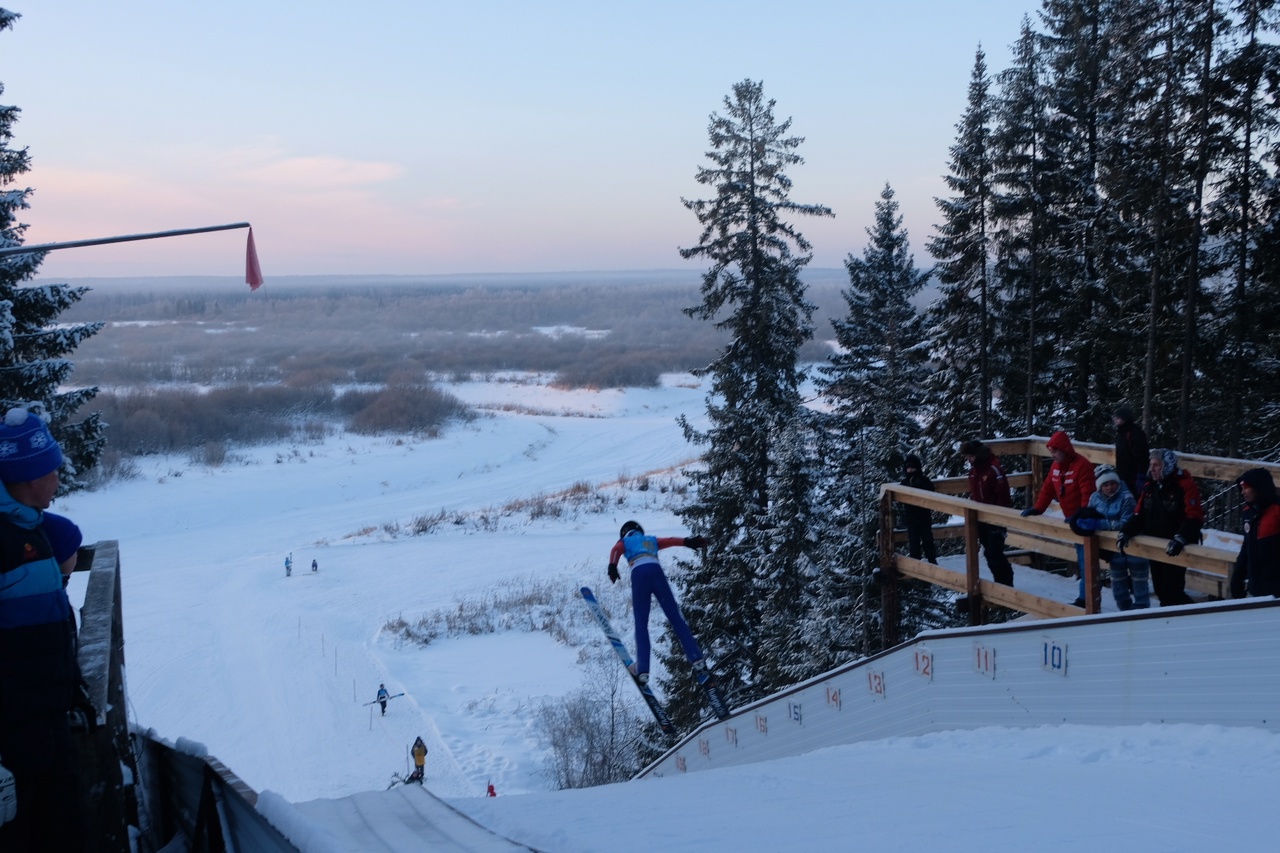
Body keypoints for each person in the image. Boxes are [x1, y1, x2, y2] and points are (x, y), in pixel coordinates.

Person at [0, 407, 86, 851]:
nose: (59, 478)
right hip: (12, 735)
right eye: (53, 471)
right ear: (30, 477)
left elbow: (48, 619)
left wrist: (73, 690)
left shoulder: (31, 527)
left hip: (46, 719)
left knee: (61, 829)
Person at [607, 520, 709, 684]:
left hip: (639, 574)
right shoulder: (651, 539)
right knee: (675, 617)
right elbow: (669, 540)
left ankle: (643, 669)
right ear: (639, 530)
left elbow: (616, 550)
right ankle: (696, 658)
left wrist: (612, 566)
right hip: (656, 572)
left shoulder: (625, 541)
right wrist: (687, 541)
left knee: (641, 623)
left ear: (624, 533)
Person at [1120, 449, 1203, 607]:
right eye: (1151, 465)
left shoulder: (1185, 485)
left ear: (1167, 466)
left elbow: (1194, 516)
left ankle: (1195, 617)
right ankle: (1171, 623)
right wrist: (1126, 532)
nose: (1152, 468)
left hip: (1176, 547)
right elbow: (1139, 514)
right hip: (1155, 545)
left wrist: (1181, 537)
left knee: (1172, 591)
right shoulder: (1149, 487)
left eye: (1157, 465)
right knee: (1161, 590)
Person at [1071, 465, 1148, 610]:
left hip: (1133, 546)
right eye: (1106, 484)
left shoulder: (1126, 497)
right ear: (1100, 487)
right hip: (1113, 550)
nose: (1110, 487)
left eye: (1113, 483)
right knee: (1119, 590)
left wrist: (1100, 524)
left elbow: (1127, 523)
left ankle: (1142, 615)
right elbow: (1089, 515)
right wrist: (1082, 521)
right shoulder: (1095, 498)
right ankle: (1125, 615)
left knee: (1140, 587)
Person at [960, 440, 1015, 586]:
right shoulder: (973, 473)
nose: (968, 459)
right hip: (980, 518)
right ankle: (1000, 582)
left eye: (970, 456)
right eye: (967, 456)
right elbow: (975, 495)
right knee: (988, 552)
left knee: (994, 552)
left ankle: (1006, 582)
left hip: (996, 518)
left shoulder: (994, 470)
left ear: (978, 455)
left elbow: (1003, 496)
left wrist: (1000, 518)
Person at [1023, 431, 1096, 519]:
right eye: (1051, 452)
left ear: (1064, 450)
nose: (1052, 456)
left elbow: (1088, 494)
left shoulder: (1083, 465)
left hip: (1084, 518)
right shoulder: (1055, 466)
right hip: (1069, 517)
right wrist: (1038, 508)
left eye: (1055, 452)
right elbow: (1047, 489)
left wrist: (1082, 515)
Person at [1230, 468, 1280, 599]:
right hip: (1256, 588)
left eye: (1246, 488)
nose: (1243, 492)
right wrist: (1237, 577)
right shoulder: (1248, 512)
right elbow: (1246, 548)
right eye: (1241, 488)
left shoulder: (1277, 510)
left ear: (1259, 488)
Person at [899, 454, 938, 564]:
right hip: (911, 517)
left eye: (912, 468)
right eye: (908, 468)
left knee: (928, 540)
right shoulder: (904, 482)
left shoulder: (924, 480)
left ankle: (932, 561)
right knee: (914, 542)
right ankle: (916, 564)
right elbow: (900, 497)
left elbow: (931, 490)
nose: (910, 470)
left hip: (924, 515)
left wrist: (919, 486)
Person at [1113, 405, 1150, 496]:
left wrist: (1141, 474)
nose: (1116, 420)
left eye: (1118, 418)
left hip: (1133, 476)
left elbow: (1143, 456)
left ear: (1124, 418)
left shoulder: (1135, 433)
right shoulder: (1120, 433)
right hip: (1122, 474)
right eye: (1116, 418)